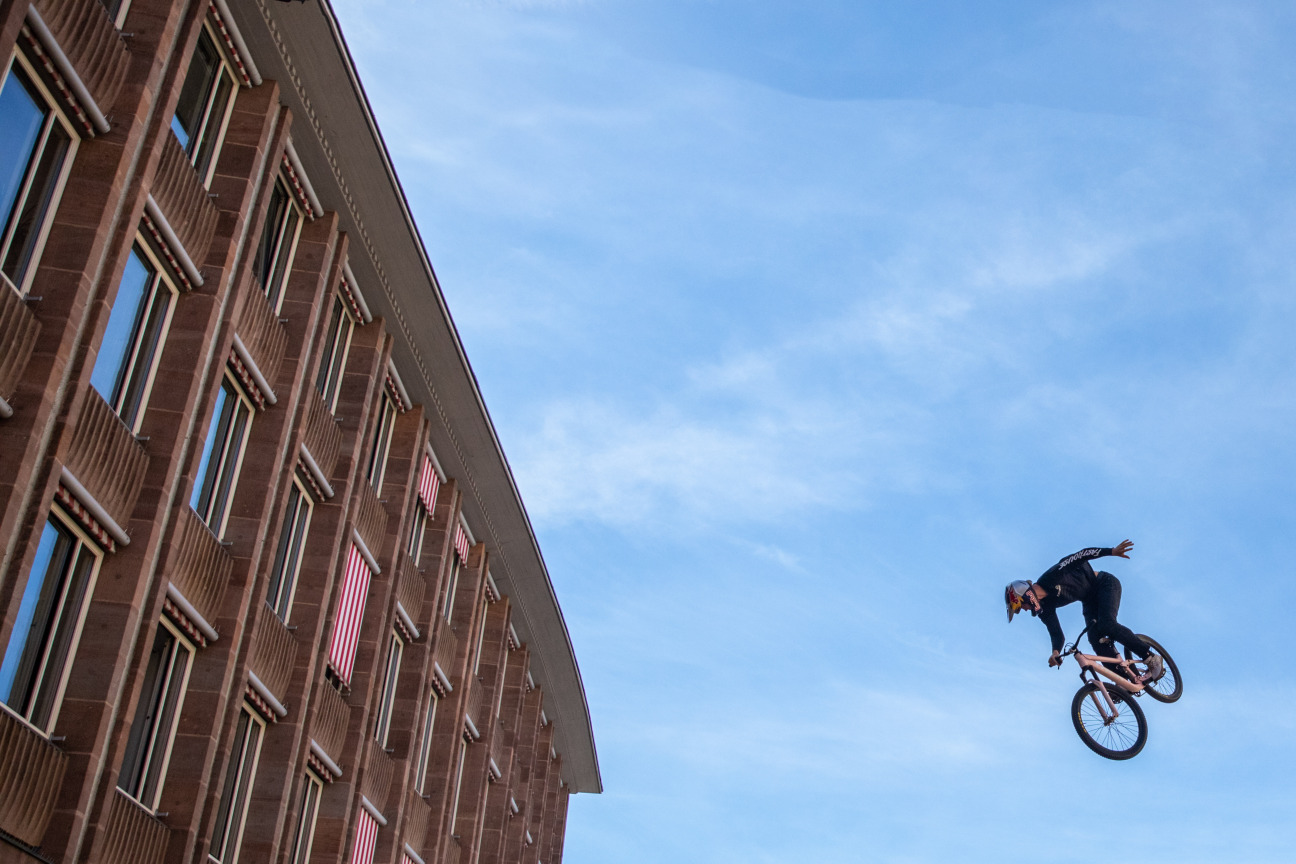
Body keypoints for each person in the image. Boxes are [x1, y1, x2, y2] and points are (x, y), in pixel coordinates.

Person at [1004, 540, 1163, 681]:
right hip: (1088, 600)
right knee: (1094, 638)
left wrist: (1111, 551)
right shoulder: (1045, 609)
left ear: (1024, 595)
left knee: (1107, 623)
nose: (1024, 610)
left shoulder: (1051, 576)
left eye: (1019, 606)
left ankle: (1151, 658)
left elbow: (1081, 555)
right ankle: (1124, 682)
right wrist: (1055, 652)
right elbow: (1056, 633)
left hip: (1104, 584)